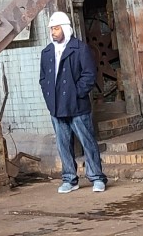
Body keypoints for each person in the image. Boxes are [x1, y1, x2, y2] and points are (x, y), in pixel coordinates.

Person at [39, 11, 107, 193]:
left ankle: (97, 177)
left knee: (87, 141)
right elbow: (43, 78)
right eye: (51, 29)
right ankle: (69, 179)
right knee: (63, 145)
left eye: (56, 28)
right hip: (56, 107)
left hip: (77, 106)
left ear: (65, 29)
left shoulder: (80, 48)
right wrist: (49, 98)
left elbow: (89, 75)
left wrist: (77, 93)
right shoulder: (46, 53)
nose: (53, 32)